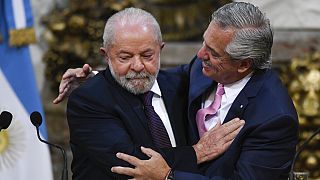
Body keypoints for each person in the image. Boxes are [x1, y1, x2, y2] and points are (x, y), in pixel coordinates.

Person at [59, 2, 299, 179]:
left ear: (244, 64)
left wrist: (169, 177)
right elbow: (164, 76)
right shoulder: (204, 69)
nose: (200, 55)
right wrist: (104, 77)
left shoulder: (275, 117)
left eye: (213, 53)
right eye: (205, 42)